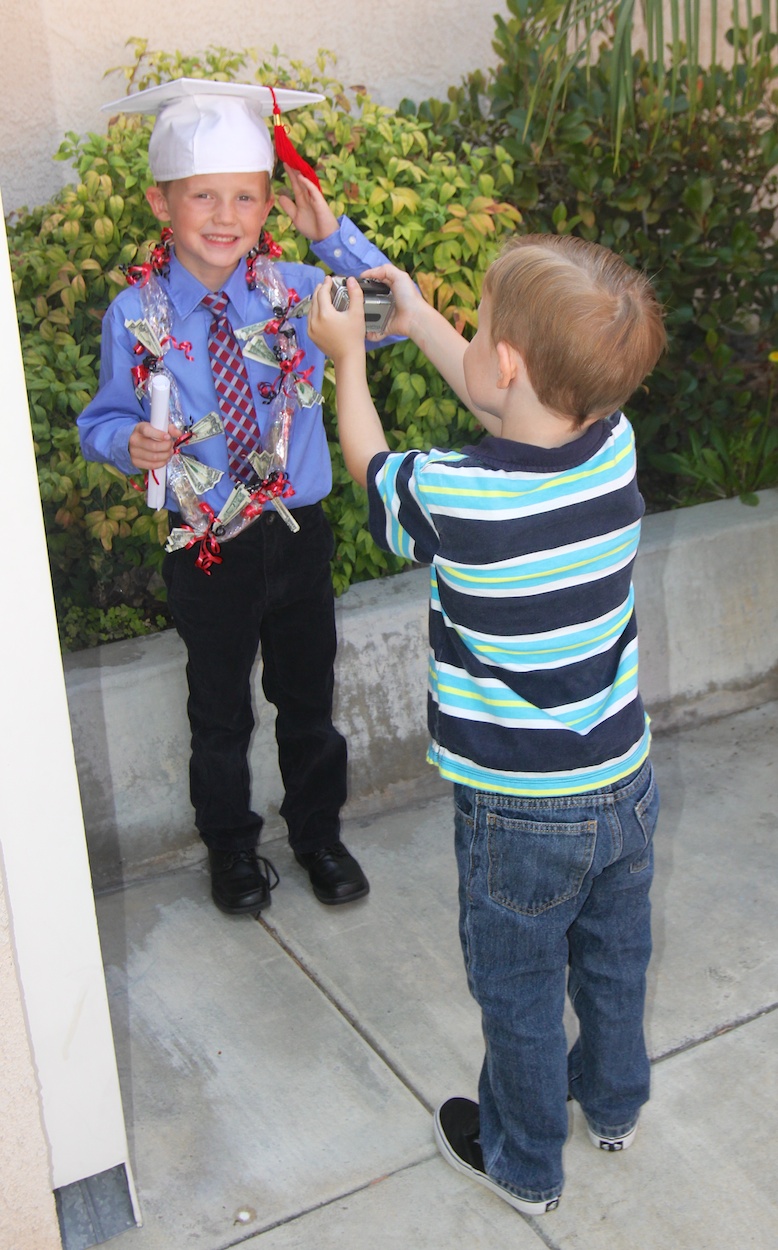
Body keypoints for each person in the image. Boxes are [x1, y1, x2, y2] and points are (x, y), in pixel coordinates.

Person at [307, 235, 666, 1215]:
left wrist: (348, 357)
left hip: (519, 810)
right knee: (612, 958)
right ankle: (615, 1099)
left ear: (504, 363)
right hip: (621, 784)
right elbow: (508, 401)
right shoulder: (611, 444)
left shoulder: (456, 493)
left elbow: (372, 466)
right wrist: (418, 314)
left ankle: (522, 1159)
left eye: (478, 324)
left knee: (516, 989)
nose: (470, 337)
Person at [79, 78, 393, 915]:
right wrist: (128, 441)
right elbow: (102, 419)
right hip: (205, 544)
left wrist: (335, 240)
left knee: (308, 700)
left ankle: (318, 835)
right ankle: (229, 849)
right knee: (219, 710)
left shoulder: (296, 288)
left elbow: (394, 313)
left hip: (297, 534)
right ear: (161, 202)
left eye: (246, 197)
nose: (224, 216)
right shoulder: (134, 313)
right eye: (202, 195)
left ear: (269, 206)